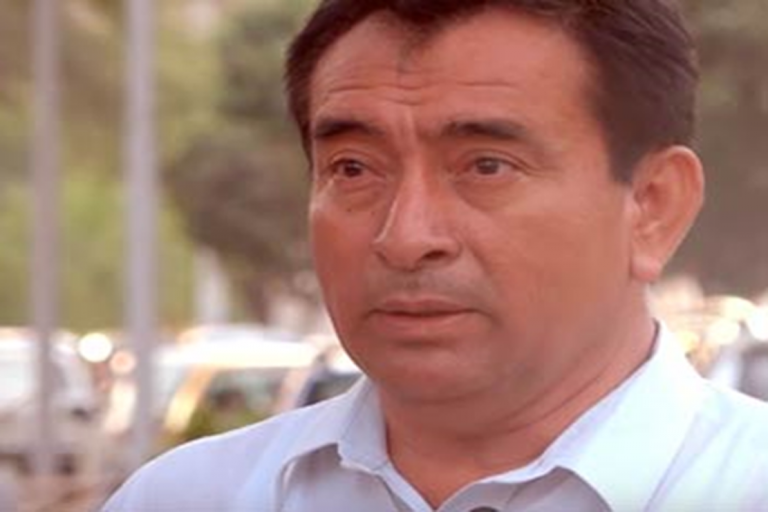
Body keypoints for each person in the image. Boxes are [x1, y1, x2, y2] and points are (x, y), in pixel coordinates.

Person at [103, 1, 768, 510]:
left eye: (486, 166)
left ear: (653, 206)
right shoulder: (189, 498)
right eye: (354, 168)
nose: (406, 236)